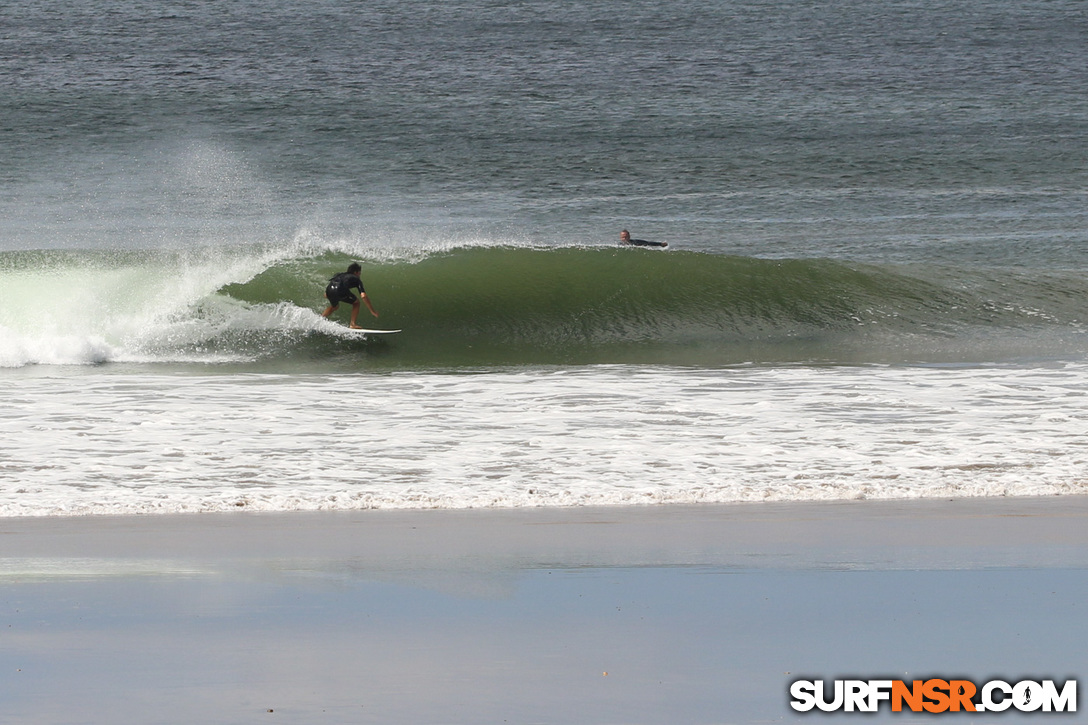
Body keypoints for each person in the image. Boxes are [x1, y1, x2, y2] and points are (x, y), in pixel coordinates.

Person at [322, 262, 378, 328]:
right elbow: (363, 296)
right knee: (356, 303)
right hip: (340, 290)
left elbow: (332, 283)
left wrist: (327, 294)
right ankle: (352, 324)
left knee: (335, 307)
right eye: (359, 273)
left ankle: (321, 318)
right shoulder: (356, 279)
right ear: (355, 272)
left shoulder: (339, 274)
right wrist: (372, 311)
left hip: (329, 290)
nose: (359, 275)